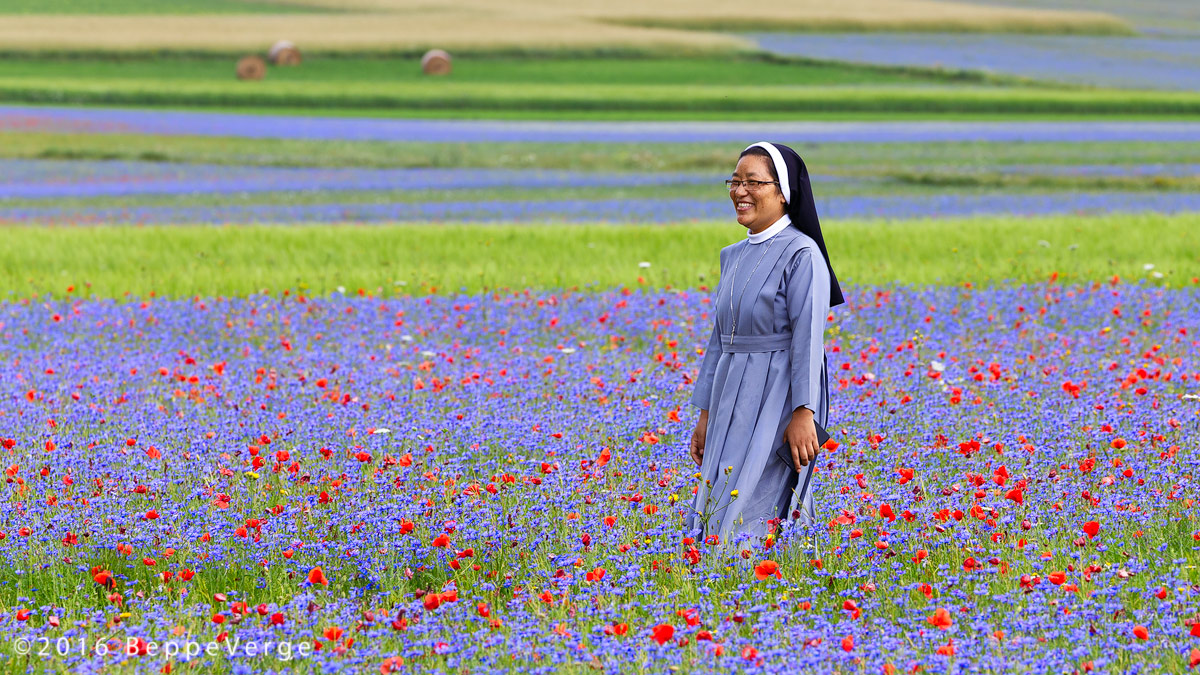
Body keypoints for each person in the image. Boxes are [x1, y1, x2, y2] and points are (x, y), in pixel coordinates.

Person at [686, 141, 845, 550]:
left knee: (759, 489)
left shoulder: (802, 254)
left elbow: (809, 336)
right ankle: (718, 573)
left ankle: (754, 577)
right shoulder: (732, 255)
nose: (740, 191)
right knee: (722, 485)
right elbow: (720, 339)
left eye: (753, 182)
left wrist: (804, 412)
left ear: (783, 191)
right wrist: (704, 413)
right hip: (729, 388)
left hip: (779, 392)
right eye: (734, 182)